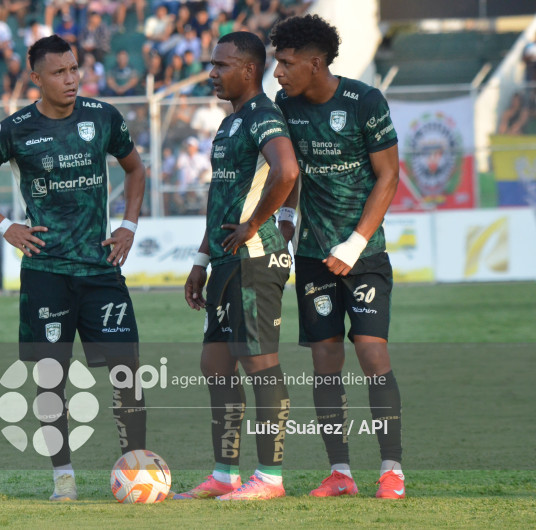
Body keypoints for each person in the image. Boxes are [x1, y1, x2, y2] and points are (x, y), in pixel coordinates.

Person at [0, 34, 147, 502]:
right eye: (59, 72)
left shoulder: (103, 117)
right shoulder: (15, 129)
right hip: (46, 273)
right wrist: (6, 227)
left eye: (74, 68)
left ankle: (136, 469)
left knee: (127, 372)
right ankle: (63, 477)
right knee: (50, 378)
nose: (71, 78)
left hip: (101, 269)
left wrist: (127, 225)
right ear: (36, 78)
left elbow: (135, 170)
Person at [271, 14, 405, 499]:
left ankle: (391, 471)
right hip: (312, 257)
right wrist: (287, 218)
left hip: (364, 254)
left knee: (372, 352)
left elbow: (388, 176)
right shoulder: (284, 105)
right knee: (326, 363)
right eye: (276, 63)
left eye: (286, 63)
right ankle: (341, 474)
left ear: (315, 62)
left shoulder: (364, 100)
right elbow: (288, 172)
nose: (278, 73)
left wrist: (354, 243)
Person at [175, 30, 298, 501]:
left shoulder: (263, 116)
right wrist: (201, 260)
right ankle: (225, 474)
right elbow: (220, 197)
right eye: (212, 64)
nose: (212, 74)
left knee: (260, 362)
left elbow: (287, 172)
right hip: (226, 260)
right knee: (216, 363)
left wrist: (255, 225)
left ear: (248, 70)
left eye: (221, 65)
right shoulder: (230, 124)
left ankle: (270, 477)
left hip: (256, 259)